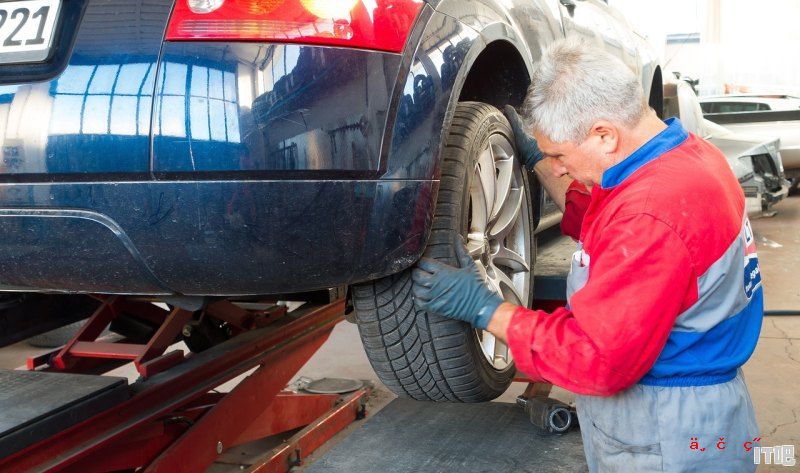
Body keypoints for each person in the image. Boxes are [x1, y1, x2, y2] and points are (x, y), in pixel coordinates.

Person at [411, 38, 762, 472]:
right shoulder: (688, 155)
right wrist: (539, 157)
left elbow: (596, 359)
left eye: (559, 154)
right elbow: (602, 219)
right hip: (692, 412)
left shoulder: (652, 214)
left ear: (603, 134)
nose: (556, 167)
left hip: (668, 432)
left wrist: (486, 309)